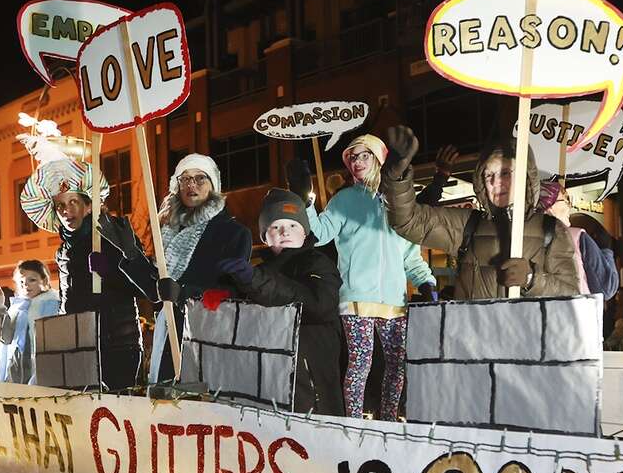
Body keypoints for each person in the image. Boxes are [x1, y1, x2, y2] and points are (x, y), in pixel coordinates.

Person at [289, 134, 435, 421]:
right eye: (352, 157)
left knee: (397, 365)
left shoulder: (398, 202)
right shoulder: (344, 200)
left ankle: (389, 421)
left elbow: (410, 255)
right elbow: (318, 234)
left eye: (363, 155)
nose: (357, 161)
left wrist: (426, 282)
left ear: (378, 159)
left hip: (394, 300)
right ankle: (354, 425)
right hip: (356, 299)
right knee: (360, 363)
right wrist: (305, 199)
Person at [382, 126, 580, 300]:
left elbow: (572, 296)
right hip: (475, 340)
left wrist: (531, 279)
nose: (496, 183)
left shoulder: (551, 230)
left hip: (529, 341)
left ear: (525, 176)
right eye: (488, 175)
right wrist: (396, 175)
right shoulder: (468, 225)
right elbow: (408, 221)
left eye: (505, 173)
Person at [117, 154, 252, 383]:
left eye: (200, 178)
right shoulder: (168, 233)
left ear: (213, 186)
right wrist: (131, 254)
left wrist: (184, 293)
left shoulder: (234, 233)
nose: (191, 185)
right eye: (185, 179)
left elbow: (231, 295)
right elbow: (156, 291)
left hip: (205, 339)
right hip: (168, 333)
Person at [216, 189, 344, 415]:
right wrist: (217, 297)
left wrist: (256, 281)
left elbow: (318, 305)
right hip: (269, 389)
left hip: (313, 394)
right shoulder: (257, 272)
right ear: (265, 236)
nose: (285, 231)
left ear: (305, 232)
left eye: (293, 225)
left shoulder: (319, 263)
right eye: (275, 226)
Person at [52, 185, 152, 390]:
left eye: (73, 202)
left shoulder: (112, 234)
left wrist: (108, 271)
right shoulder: (62, 251)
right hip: (79, 345)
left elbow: (145, 287)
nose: (65, 210)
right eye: (60, 205)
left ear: (89, 206)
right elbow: (65, 301)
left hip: (118, 345)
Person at [540, 181, 620, 300]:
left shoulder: (523, 240)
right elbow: (607, 288)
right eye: (566, 200)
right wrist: (606, 250)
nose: (569, 206)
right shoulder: (576, 237)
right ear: (549, 205)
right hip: (576, 313)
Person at [0, 259, 61, 384]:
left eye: (32, 280)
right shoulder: (17, 307)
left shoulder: (53, 304)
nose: (26, 285)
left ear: (45, 280)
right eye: (21, 281)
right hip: (14, 373)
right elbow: (5, 338)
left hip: (42, 373)